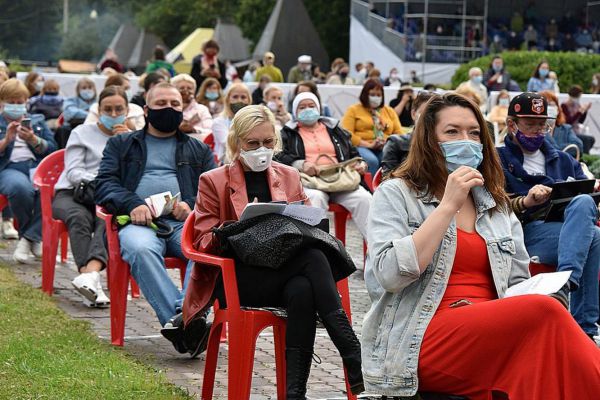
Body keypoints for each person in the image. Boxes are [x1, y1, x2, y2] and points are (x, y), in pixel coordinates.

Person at [363, 92, 600, 398]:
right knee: (545, 315)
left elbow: (517, 282)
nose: (467, 140)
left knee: (547, 354)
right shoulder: (397, 193)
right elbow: (388, 276)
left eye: (474, 133)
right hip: (421, 334)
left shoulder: (495, 204)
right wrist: (447, 206)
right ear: (428, 141)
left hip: (493, 330)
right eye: (452, 132)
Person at [184, 105, 364, 398]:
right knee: (313, 261)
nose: (261, 149)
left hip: (285, 270)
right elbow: (202, 240)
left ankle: (295, 393)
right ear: (236, 144)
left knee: (305, 286)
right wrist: (238, 228)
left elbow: (310, 226)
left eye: (268, 142)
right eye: (252, 143)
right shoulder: (213, 180)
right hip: (238, 278)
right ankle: (350, 349)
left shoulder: (289, 175)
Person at [94, 82, 217, 355]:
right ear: (147, 110)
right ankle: (189, 324)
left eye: (175, 104)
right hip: (139, 223)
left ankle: (183, 321)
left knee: (206, 247)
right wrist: (132, 203)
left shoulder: (199, 150)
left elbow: (215, 192)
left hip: (184, 223)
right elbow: (103, 184)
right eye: (161, 104)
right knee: (140, 248)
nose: (169, 109)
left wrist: (191, 205)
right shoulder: (121, 144)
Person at [497, 92, 600, 340]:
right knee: (594, 236)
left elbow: (586, 188)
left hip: (567, 228)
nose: (536, 131)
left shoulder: (563, 158)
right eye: (529, 125)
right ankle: (584, 326)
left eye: (541, 125)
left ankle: (565, 289)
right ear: (512, 125)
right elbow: (489, 207)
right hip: (525, 232)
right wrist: (525, 201)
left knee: (589, 217)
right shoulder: (497, 159)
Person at [53, 86, 132, 307]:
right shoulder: (81, 132)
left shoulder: (132, 139)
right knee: (79, 218)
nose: (114, 114)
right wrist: (102, 180)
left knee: (105, 221)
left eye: (119, 109)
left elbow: (133, 177)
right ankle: (90, 279)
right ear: (99, 110)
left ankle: (89, 277)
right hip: (73, 193)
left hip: (106, 197)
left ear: (127, 110)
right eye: (108, 109)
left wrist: (126, 146)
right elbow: (73, 171)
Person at [278, 92, 372, 240]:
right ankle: (318, 247)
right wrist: (301, 164)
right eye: (302, 107)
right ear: (295, 111)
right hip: (310, 182)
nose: (307, 109)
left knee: (364, 198)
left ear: (319, 108)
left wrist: (360, 164)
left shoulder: (335, 129)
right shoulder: (288, 133)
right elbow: (279, 156)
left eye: (311, 106)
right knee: (314, 198)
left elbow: (353, 153)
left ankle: (377, 250)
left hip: (341, 180)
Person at [0, 79, 57, 263]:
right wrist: (7, 140)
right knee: (20, 188)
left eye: (20, 102)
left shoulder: (38, 121)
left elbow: (52, 149)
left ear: (26, 101)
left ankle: (27, 239)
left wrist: (34, 139)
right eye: (12, 102)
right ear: (2, 102)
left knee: (51, 190)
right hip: (9, 168)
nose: (16, 106)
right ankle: (32, 236)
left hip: (36, 167)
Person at [341, 79, 403, 176]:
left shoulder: (389, 111)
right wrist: (368, 145)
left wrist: (387, 142)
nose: (376, 97)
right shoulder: (353, 109)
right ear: (365, 94)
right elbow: (346, 133)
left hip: (385, 146)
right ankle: (370, 189)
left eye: (379, 95)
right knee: (371, 160)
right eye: (372, 94)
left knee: (389, 159)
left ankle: (386, 187)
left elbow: (399, 133)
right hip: (361, 146)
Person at [381, 91, 436, 175]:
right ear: (414, 114)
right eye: (425, 113)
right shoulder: (395, 143)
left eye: (434, 115)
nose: (429, 118)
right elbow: (387, 179)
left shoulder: (445, 143)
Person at [212, 82, 252, 162]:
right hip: (226, 162)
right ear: (228, 100)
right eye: (235, 97)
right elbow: (230, 144)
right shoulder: (218, 122)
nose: (239, 100)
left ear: (249, 101)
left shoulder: (253, 121)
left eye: (243, 97)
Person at [539, 90, 584, 157]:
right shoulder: (534, 131)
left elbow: (578, 147)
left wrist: (554, 150)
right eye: (544, 105)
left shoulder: (566, 129)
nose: (548, 108)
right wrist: (564, 148)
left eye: (550, 104)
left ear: (557, 109)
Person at [171, 73, 213, 141]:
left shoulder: (202, 109)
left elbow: (210, 131)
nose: (186, 90)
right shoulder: (168, 109)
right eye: (182, 88)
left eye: (189, 88)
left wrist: (193, 129)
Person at [561, 85, 595, 154]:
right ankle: (584, 156)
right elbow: (569, 121)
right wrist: (579, 112)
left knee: (591, 139)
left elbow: (580, 121)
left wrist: (585, 111)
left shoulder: (577, 105)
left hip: (576, 131)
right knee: (587, 140)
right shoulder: (564, 106)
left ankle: (583, 155)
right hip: (568, 132)